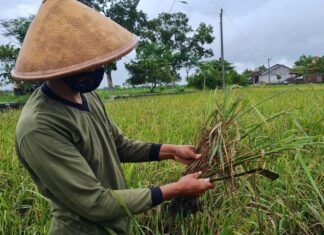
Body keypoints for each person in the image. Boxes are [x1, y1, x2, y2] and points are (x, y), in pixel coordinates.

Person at [13, 0, 214, 234]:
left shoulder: (88, 96)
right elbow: (95, 203)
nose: (98, 67)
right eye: (87, 63)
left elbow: (119, 146)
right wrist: (176, 190)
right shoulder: (39, 127)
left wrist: (171, 150)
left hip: (116, 225)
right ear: (61, 65)